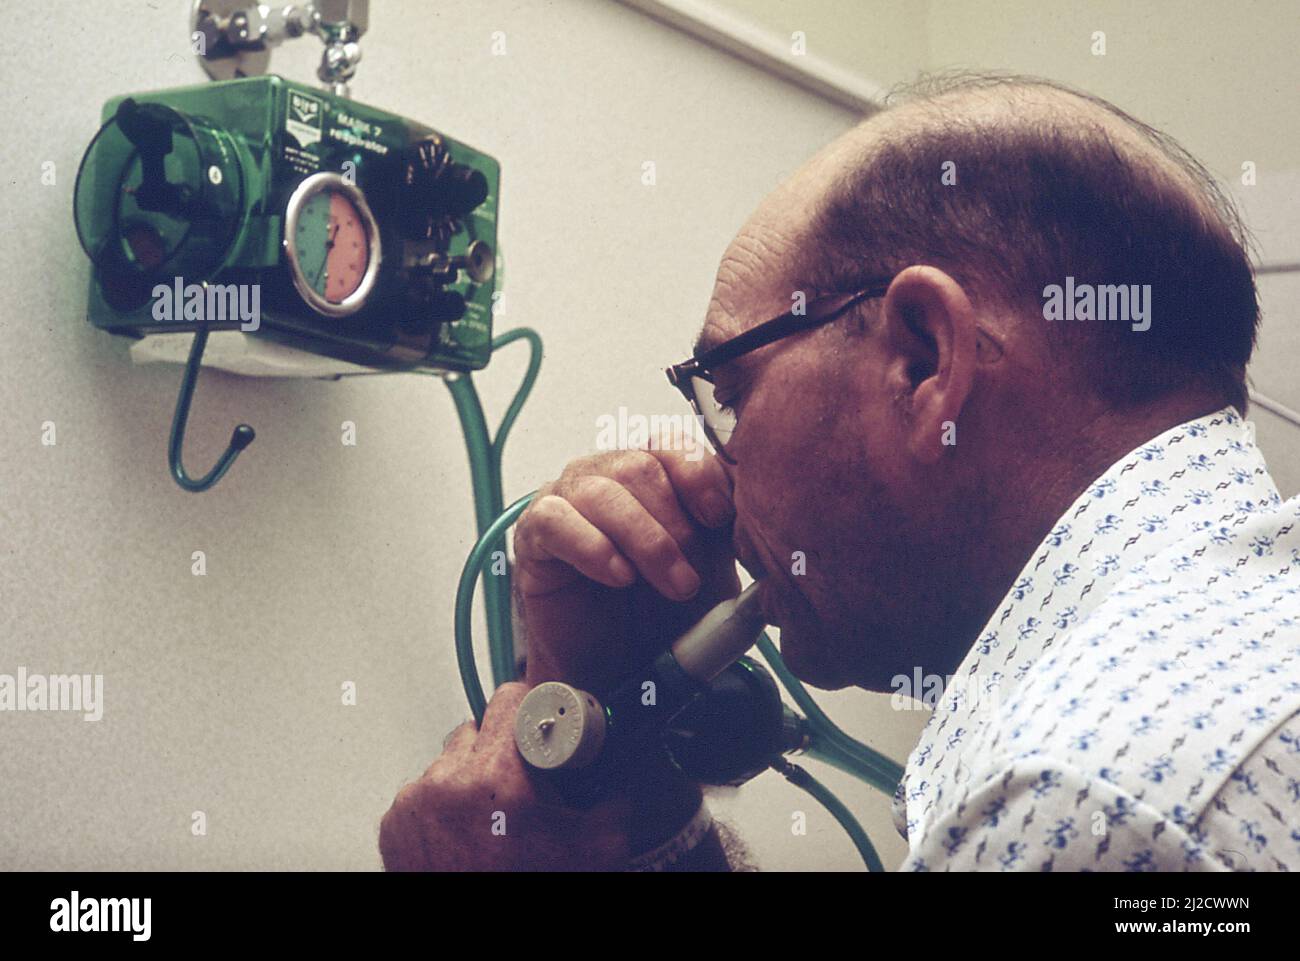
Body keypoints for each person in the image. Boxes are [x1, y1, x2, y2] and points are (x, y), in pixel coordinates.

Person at [379, 72, 1300, 871]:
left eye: (730, 389)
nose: (717, 463)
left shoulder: (1086, 790)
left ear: (922, 360)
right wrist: (638, 804)